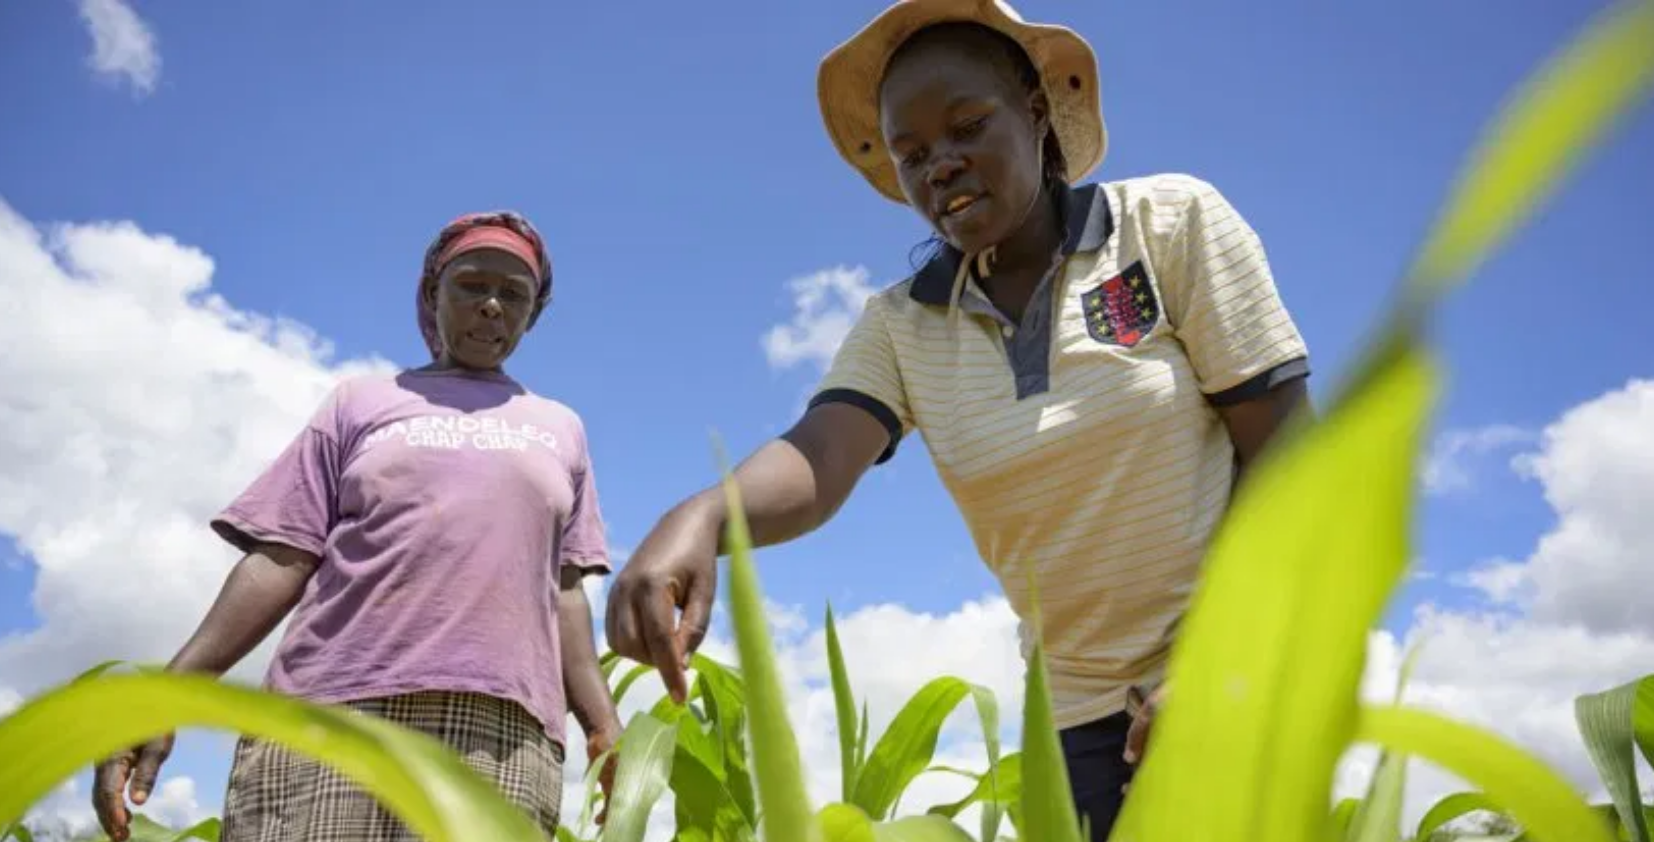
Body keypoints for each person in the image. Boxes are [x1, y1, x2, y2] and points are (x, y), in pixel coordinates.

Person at [604, 1, 1312, 839]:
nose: (939, 165)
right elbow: (819, 456)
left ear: (1038, 114)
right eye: (911, 154)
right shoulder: (904, 325)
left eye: (968, 125)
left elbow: (1290, 458)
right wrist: (697, 518)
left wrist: (1222, 656)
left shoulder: (1165, 227)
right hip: (1078, 725)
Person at [91, 211, 621, 842]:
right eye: (471, 285)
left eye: (513, 295)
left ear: (532, 315)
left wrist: (601, 723)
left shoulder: (560, 427)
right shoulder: (360, 402)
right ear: (432, 294)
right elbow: (280, 558)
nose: (490, 306)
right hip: (333, 710)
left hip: (504, 730)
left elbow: (561, 591)